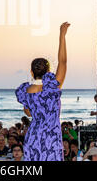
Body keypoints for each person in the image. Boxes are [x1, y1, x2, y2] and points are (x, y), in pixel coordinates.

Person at [15, 22, 70, 161]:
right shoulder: (52, 88)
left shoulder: (26, 91)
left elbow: (28, 112)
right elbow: (62, 62)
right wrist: (62, 35)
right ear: (48, 71)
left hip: (33, 136)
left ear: (31, 72)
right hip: (51, 137)